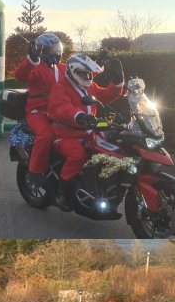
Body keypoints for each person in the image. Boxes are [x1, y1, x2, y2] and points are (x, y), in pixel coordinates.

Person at [48, 53, 125, 211]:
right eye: (84, 73)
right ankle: (64, 193)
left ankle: (101, 187)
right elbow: (62, 108)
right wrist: (79, 115)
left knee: (113, 150)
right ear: (73, 71)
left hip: (89, 131)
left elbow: (106, 95)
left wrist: (117, 82)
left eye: (89, 73)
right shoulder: (60, 87)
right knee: (78, 155)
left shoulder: (89, 86)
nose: (88, 76)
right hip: (65, 134)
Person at [14, 33, 64, 184]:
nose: (55, 52)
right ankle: (34, 171)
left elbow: (80, 76)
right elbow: (19, 75)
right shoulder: (35, 66)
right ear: (42, 50)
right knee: (45, 134)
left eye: (56, 49)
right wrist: (32, 59)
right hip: (38, 112)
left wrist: (97, 66)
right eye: (51, 50)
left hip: (59, 112)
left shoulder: (63, 67)